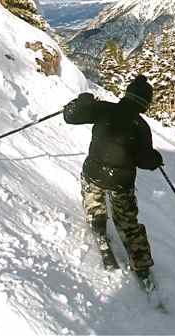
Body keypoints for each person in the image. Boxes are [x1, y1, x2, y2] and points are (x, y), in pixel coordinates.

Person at [63, 75, 163, 280]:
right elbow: (145, 161)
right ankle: (141, 265)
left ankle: (98, 227)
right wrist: (155, 159)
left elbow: (70, 116)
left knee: (94, 202)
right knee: (128, 222)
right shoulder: (141, 127)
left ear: (128, 94)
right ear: (145, 102)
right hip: (121, 182)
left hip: (94, 173)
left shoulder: (105, 109)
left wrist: (82, 102)